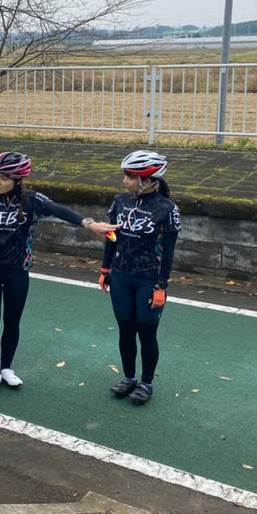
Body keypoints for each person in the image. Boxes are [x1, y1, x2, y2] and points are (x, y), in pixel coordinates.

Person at [0, 152, 117, 391]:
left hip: (18, 270)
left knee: (12, 321)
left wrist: (89, 224)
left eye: (4, 177)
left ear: (18, 180)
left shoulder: (31, 200)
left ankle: (6, 367)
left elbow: (59, 210)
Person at [99, 150, 181, 406]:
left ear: (147, 179)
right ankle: (129, 378)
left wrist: (161, 285)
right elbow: (111, 237)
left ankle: (146, 383)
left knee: (146, 333)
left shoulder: (168, 209)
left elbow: (168, 253)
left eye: (129, 176)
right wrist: (105, 270)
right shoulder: (120, 201)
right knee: (125, 331)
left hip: (149, 279)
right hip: (122, 276)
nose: (125, 181)